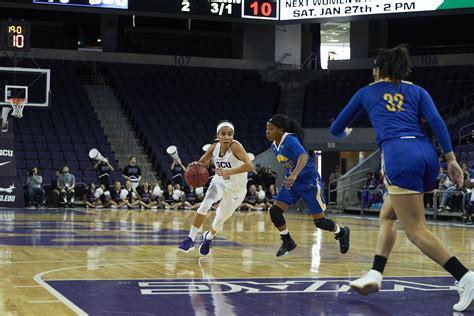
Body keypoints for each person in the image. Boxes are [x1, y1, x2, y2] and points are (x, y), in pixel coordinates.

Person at [329, 44, 473, 312]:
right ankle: (375, 273)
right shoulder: (418, 90)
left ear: (378, 69)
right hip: (427, 153)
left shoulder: (366, 92)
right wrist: (451, 159)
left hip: (399, 154)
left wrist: (346, 133)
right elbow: (438, 122)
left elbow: (336, 129)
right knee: (388, 215)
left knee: (416, 229)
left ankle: (465, 276)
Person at [265, 114, 350, 257]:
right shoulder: (274, 146)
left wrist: (293, 175)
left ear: (281, 130)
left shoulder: (290, 139)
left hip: (309, 183)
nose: (267, 131)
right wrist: (291, 176)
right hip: (293, 183)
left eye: (270, 129)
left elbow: (303, 156)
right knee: (274, 211)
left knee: (320, 222)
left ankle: (342, 232)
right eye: (266, 129)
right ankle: (287, 241)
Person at [178, 120, 253, 256]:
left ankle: (208, 238)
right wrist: (195, 166)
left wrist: (228, 172)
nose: (226, 137)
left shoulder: (236, 147)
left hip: (236, 190)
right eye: (223, 134)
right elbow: (201, 163)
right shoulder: (214, 148)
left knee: (218, 222)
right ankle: (190, 239)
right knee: (205, 204)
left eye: (230, 134)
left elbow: (249, 166)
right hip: (219, 183)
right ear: (217, 135)